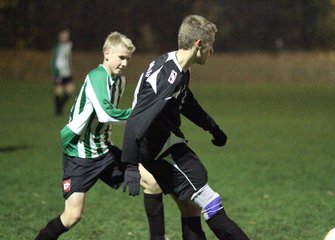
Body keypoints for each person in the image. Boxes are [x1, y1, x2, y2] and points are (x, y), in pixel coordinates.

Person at [121, 15, 251, 240]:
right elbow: (136, 119)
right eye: (211, 44)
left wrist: (212, 127)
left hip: (163, 145)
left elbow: (186, 102)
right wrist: (131, 165)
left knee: (190, 210)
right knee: (210, 202)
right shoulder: (167, 77)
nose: (213, 51)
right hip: (162, 150)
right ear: (198, 44)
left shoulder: (177, 67)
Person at [34, 31, 136, 240]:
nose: (125, 63)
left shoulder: (120, 81)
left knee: (150, 179)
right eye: (121, 57)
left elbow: (105, 120)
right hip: (79, 155)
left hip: (105, 151)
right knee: (72, 216)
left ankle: (159, 235)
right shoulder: (96, 77)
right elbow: (106, 113)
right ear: (107, 53)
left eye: (128, 59)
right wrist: (140, 114)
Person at [51, 29, 75, 116]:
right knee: (59, 91)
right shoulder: (57, 47)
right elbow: (53, 60)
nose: (65, 37)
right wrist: (54, 73)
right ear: (60, 37)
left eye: (66, 36)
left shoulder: (69, 45)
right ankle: (58, 110)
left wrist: (71, 68)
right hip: (59, 72)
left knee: (70, 90)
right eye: (63, 36)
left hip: (67, 72)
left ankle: (60, 107)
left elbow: (69, 58)